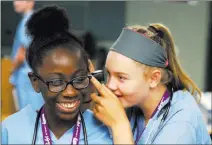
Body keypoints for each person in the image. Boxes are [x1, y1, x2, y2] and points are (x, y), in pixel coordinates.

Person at [2, 6, 112, 144]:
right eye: (56, 82)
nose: (70, 92)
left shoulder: (105, 130)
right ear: (35, 81)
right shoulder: (11, 130)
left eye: (79, 79)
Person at [90, 24, 212, 144]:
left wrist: (119, 125)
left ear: (154, 78)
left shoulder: (182, 123)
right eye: (109, 74)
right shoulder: (134, 106)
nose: (110, 85)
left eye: (121, 77)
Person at [10, 0, 44, 111]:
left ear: (31, 2)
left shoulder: (26, 22)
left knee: (27, 114)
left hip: (25, 74)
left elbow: (22, 52)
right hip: (36, 73)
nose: (15, 3)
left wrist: (12, 69)